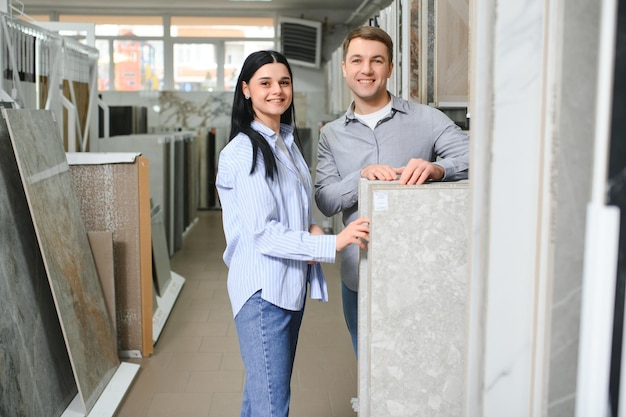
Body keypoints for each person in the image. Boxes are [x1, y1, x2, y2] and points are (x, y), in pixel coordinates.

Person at [216, 50, 370, 417]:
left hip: (287, 287)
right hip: (263, 294)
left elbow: (290, 210)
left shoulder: (284, 141)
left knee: (261, 397)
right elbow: (264, 234)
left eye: (283, 82)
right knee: (272, 405)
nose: (277, 91)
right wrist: (333, 241)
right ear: (246, 90)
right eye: (265, 83)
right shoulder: (244, 152)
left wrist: (312, 226)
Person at [315, 26, 470, 358]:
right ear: (345, 68)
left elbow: (475, 156)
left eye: (376, 60)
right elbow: (325, 201)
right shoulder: (331, 135)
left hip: (422, 269)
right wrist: (361, 177)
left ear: (390, 68)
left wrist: (438, 169)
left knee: (421, 365)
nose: (366, 70)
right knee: (368, 366)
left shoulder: (428, 120)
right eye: (357, 60)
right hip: (359, 268)